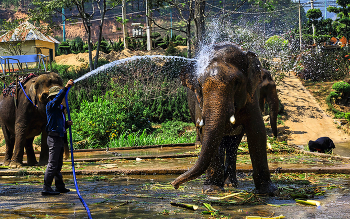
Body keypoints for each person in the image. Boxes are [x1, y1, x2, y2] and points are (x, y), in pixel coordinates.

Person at [42, 79, 74, 196]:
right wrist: (66, 88)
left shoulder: (59, 110)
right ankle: (46, 187)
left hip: (59, 138)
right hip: (53, 139)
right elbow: (57, 100)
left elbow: (58, 123)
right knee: (52, 164)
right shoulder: (50, 106)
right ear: (54, 97)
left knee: (58, 164)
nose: (61, 100)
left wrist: (66, 124)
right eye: (58, 97)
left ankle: (59, 186)